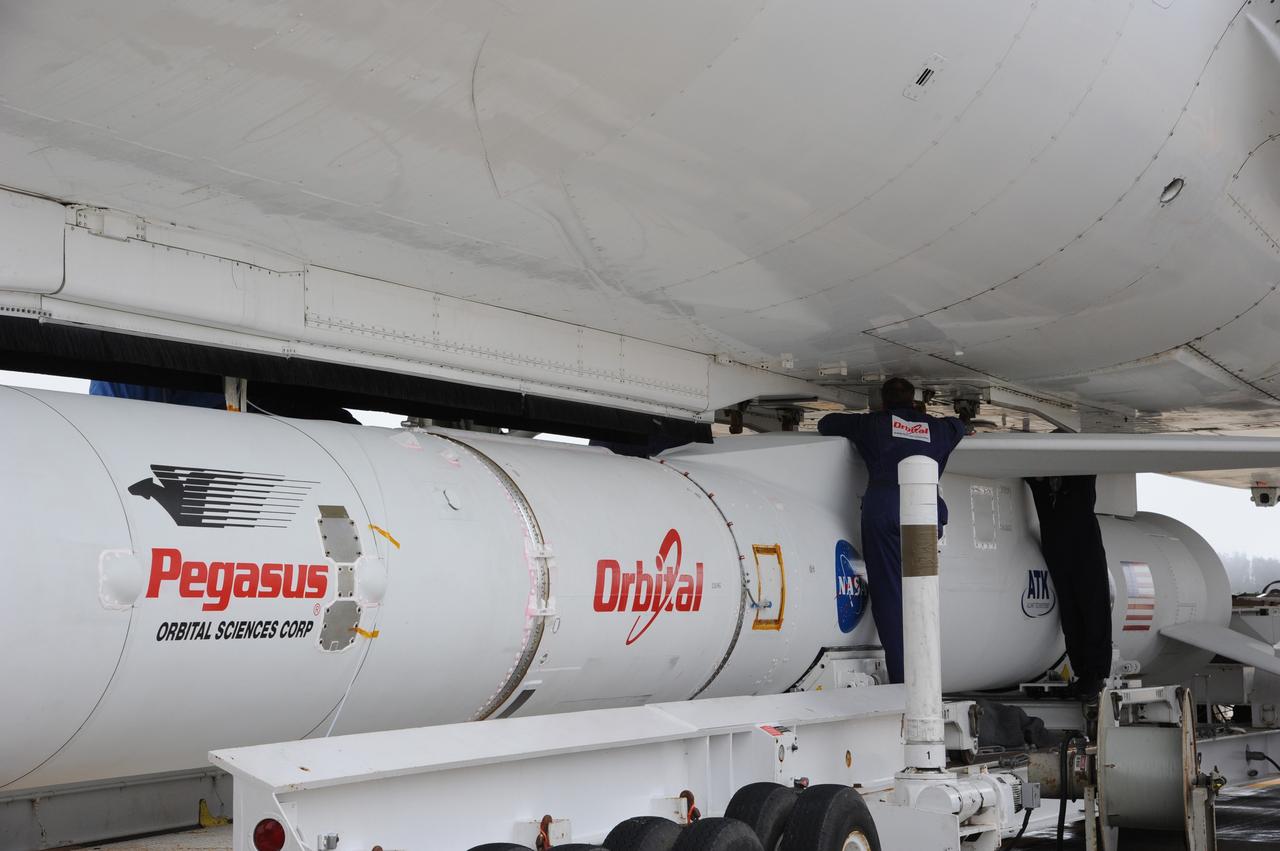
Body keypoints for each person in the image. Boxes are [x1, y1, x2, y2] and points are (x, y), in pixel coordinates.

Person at [818, 377, 967, 684]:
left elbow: (826, 423)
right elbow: (959, 426)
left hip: (885, 510)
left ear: (883, 402)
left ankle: (905, 679)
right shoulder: (939, 429)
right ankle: (928, 673)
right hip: (924, 512)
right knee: (922, 594)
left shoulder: (874, 424)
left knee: (890, 596)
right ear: (914, 401)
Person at [1025, 475, 1113, 701]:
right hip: (1058, 549)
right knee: (1071, 616)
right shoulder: (1044, 487)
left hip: (1084, 549)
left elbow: (1084, 473)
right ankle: (1084, 674)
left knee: (1092, 610)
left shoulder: (1079, 479)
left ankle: (1094, 674)